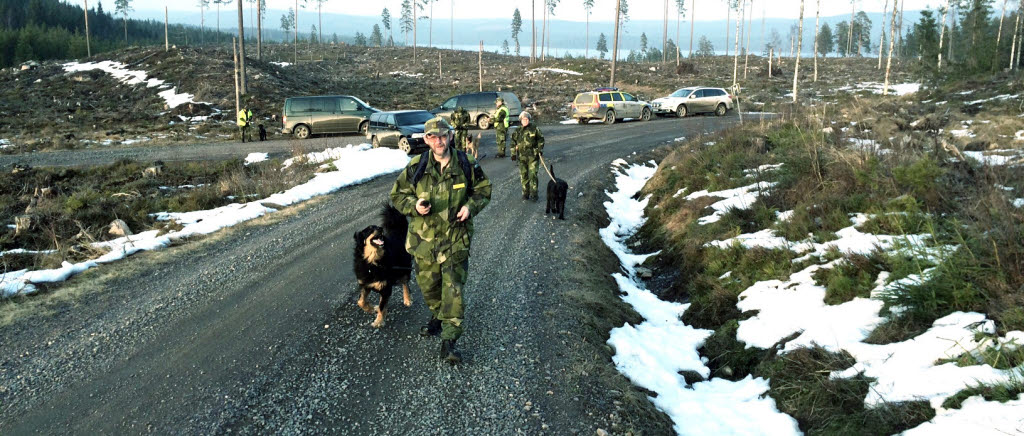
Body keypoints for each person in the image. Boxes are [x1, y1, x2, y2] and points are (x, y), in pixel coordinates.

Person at [390, 117, 492, 364]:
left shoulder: (466, 163)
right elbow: (397, 195)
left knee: (453, 291)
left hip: (455, 240)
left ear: (451, 136)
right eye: (433, 137)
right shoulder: (416, 167)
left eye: (443, 136)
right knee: (429, 288)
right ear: (426, 139)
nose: (439, 141)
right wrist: (414, 205)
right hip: (423, 242)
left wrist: (470, 207)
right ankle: (437, 316)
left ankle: (449, 340)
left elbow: (483, 190)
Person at [511, 111, 544, 201]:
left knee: (533, 175)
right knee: (524, 175)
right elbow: (513, 142)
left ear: (529, 119)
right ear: (520, 120)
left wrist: (539, 149)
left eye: (526, 119)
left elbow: (541, 139)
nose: (525, 121)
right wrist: (513, 153)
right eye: (523, 119)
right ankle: (525, 193)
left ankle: (534, 194)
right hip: (522, 158)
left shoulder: (534, 128)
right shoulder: (517, 130)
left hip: (533, 157)